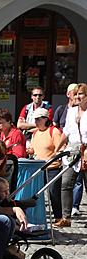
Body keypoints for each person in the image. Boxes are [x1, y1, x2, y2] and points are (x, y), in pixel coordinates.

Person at [56, 82, 87, 227]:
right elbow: (66, 131)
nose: (78, 97)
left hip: (86, 149)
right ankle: (66, 217)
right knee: (66, 183)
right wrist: (58, 148)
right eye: (76, 94)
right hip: (73, 149)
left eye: (81, 93)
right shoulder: (71, 111)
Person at [27, 108, 65, 224]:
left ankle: (58, 217)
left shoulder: (54, 131)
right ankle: (36, 216)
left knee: (54, 193)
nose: (37, 122)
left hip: (53, 168)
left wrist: (53, 157)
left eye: (39, 119)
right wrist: (29, 150)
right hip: (39, 167)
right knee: (36, 193)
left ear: (45, 119)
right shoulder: (35, 133)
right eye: (35, 119)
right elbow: (33, 149)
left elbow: (60, 149)